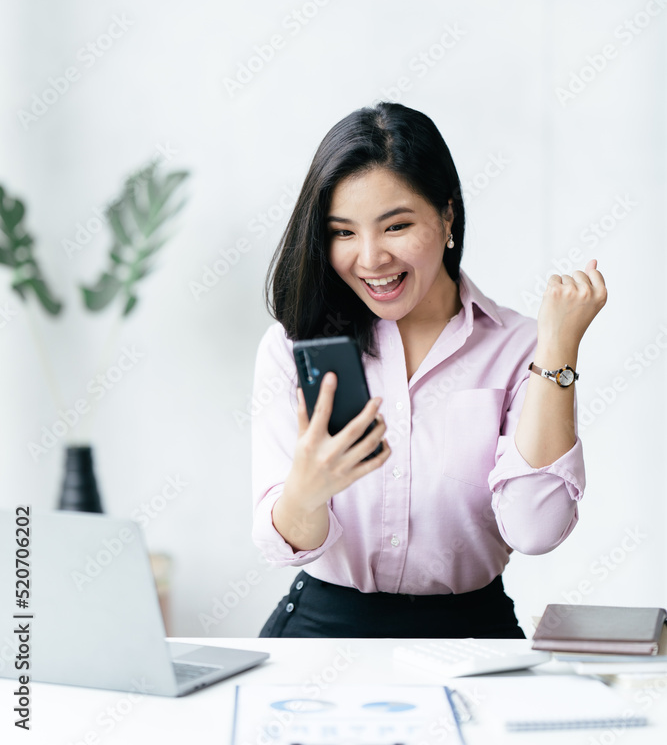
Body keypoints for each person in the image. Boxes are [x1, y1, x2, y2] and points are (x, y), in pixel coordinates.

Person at [250, 102, 607, 637]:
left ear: (447, 217)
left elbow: (536, 530)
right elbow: (285, 545)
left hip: (471, 636)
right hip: (323, 635)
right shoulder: (297, 345)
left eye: (395, 225)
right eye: (343, 232)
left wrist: (557, 347)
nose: (370, 258)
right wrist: (308, 487)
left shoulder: (520, 348)